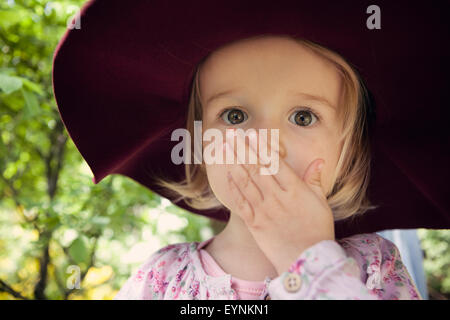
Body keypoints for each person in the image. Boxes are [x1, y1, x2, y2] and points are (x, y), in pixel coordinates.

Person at [112, 35, 421, 300]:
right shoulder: (161, 277)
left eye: (303, 117)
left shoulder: (374, 266)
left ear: (348, 151)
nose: (266, 143)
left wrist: (311, 262)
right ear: (200, 145)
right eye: (234, 116)